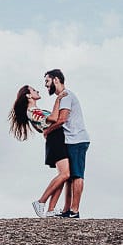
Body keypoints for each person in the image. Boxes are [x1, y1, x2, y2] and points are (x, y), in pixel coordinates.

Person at [9, 85, 71, 217]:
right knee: (65, 175)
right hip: (55, 140)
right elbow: (54, 118)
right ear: (28, 95)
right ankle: (41, 202)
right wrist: (58, 99)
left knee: (63, 176)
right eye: (33, 90)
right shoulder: (32, 111)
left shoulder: (36, 110)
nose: (37, 91)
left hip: (57, 138)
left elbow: (51, 122)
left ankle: (50, 209)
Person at [41, 68, 89, 218]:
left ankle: (74, 211)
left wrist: (47, 131)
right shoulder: (62, 98)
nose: (46, 85)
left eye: (47, 81)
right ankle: (66, 210)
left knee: (77, 175)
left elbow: (62, 120)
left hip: (78, 139)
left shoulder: (66, 96)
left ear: (56, 80)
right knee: (68, 177)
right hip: (70, 140)